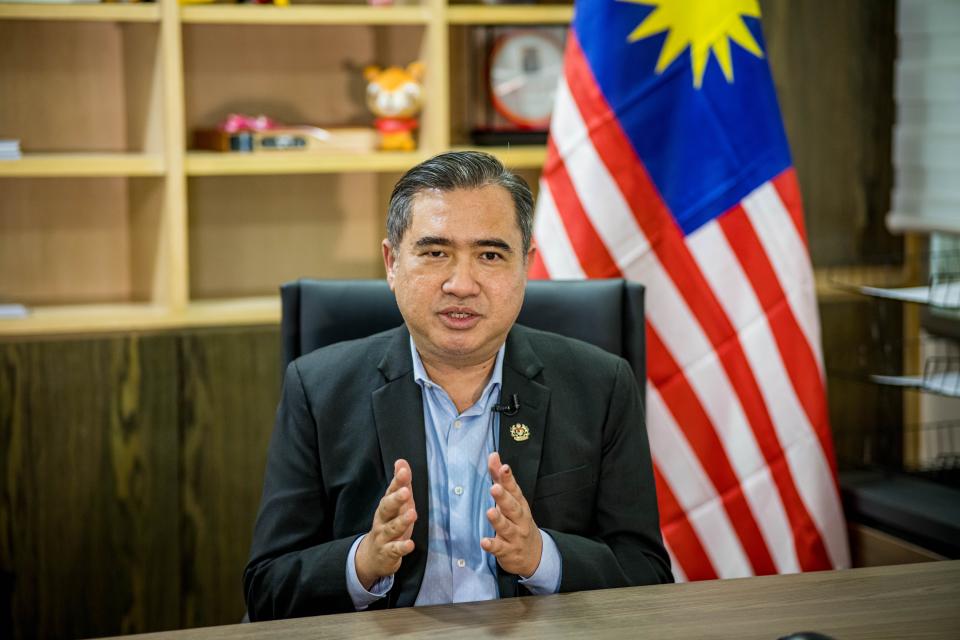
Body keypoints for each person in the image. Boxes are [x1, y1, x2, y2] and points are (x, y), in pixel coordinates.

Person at [243, 151, 672, 620]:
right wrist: (364, 562)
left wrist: (541, 556)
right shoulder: (318, 389)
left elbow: (646, 575)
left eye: (489, 255)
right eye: (434, 253)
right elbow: (266, 588)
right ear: (391, 262)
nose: (461, 283)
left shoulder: (601, 386)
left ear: (525, 265)